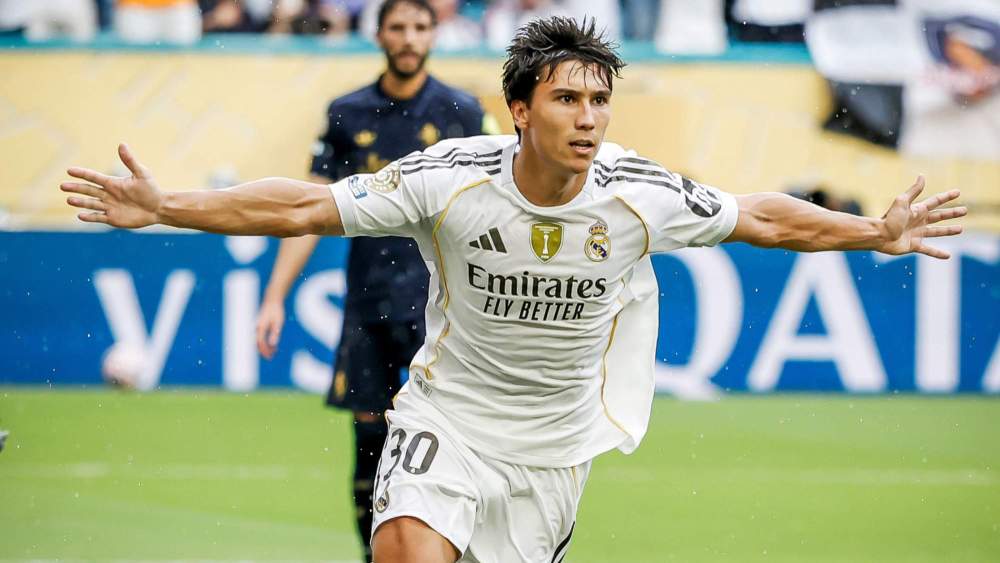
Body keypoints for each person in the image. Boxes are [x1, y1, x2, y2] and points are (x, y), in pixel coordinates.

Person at [62, 17, 966, 563]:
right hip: (448, 419)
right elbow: (305, 203)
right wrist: (167, 204)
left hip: (553, 449)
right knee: (402, 543)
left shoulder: (637, 192)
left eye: (599, 101)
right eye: (568, 100)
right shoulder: (451, 176)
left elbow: (760, 216)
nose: (589, 118)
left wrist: (875, 232)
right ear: (522, 110)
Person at [254, 0, 491, 559]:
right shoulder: (347, 114)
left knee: (456, 438)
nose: (409, 37)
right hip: (371, 302)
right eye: (398, 27)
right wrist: (274, 296)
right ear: (379, 34)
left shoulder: (462, 113)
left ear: (434, 34)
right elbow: (308, 210)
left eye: (420, 27)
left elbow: (493, 205)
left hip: (444, 308)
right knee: (370, 443)